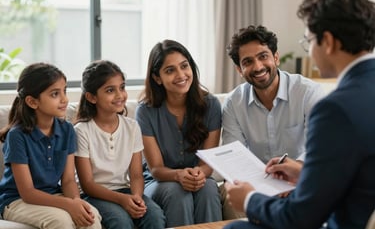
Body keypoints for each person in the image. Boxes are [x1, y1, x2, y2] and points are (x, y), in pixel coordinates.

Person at [224, 0, 375, 228]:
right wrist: (305, 175)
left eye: (309, 41)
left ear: (328, 42)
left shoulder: (334, 108)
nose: (310, 51)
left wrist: (249, 200)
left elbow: (301, 217)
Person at [221, 24, 325, 219]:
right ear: (239, 69)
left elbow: (319, 149)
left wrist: (294, 177)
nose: (258, 67)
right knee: (231, 200)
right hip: (255, 186)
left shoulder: (307, 93)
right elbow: (233, 156)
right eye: (248, 61)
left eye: (263, 56)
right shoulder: (233, 103)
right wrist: (257, 189)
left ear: (275, 57)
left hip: (301, 180)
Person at [0, 63, 102, 229]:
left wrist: (76, 202)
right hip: (17, 201)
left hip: (54, 195)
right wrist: (68, 205)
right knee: (61, 221)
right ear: (33, 102)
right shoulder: (17, 136)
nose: (64, 99)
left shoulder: (67, 129)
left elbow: (68, 180)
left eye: (65, 91)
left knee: (91, 217)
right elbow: (28, 192)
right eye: (55, 94)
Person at [135, 39, 222, 227]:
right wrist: (178, 176)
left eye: (184, 66)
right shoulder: (145, 111)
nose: (181, 75)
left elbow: (208, 164)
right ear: (157, 78)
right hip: (158, 182)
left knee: (208, 188)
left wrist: (199, 174)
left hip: (199, 179)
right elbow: (156, 169)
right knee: (177, 192)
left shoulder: (212, 105)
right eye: (170, 70)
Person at [74, 60, 165, 229]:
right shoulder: (81, 131)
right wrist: (122, 200)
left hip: (125, 190)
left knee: (155, 216)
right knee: (120, 221)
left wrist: (136, 198)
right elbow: (87, 184)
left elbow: (137, 175)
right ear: (91, 97)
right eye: (110, 90)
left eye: (122, 87)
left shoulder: (132, 127)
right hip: (93, 195)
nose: (119, 95)